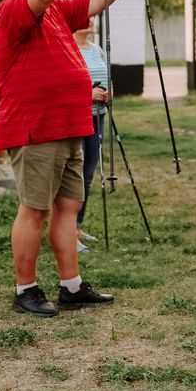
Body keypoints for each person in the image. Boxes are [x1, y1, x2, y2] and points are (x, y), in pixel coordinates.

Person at [0, 0, 161, 317]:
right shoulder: (13, 10)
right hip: (37, 126)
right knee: (34, 209)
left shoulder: (54, 12)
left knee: (68, 208)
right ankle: (25, 290)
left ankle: (71, 286)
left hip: (72, 124)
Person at [72, 17, 109, 254]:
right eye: (85, 15)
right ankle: (67, 233)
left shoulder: (97, 50)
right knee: (73, 176)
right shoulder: (66, 48)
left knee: (87, 175)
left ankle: (77, 226)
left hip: (98, 117)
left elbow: (108, 78)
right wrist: (89, 95)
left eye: (93, 16)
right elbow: (63, 85)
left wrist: (108, 94)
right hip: (75, 120)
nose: (91, 20)